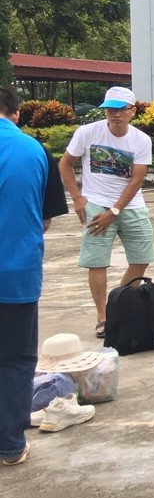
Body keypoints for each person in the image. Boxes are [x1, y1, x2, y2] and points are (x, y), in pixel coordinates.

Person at [0, 85, 68, 467]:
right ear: (15, 114)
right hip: (15, 274)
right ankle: (10, 446)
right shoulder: (35, 151)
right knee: (13, 359)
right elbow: (42, 221)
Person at [58, 86, 154, 339]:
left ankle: (117, 307)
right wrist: (77, 198)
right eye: (110, 109)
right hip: (96, 204)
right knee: (97, 262)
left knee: (142, 258)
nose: (115, 114)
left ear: (133, 111)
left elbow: (136, 180)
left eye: (121, 109)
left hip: (131, 206)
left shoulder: (141, 140)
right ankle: (103, 317)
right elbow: (65, 164)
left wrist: (115, 210)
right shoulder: (87, 132)